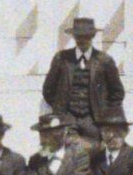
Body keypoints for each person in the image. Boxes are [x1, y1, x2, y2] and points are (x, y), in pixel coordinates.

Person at [40, 15, 124, 143]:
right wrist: (61, 109)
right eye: (78, 36)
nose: (82, 40)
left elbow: (117, 92)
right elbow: (48, 90)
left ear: (92, 36)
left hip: (94, 121)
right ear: (73, 37)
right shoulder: (61, 58)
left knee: (95, 154)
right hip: (67, 119)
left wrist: (103, 113)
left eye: (86, 36)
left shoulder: (104, 60)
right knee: (68, 154)